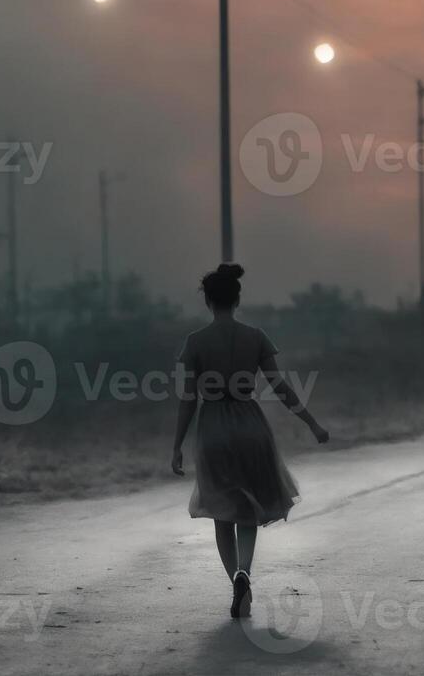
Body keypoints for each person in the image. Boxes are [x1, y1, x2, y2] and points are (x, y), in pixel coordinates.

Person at [171, 263, 330, 619]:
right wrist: (312, 423)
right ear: (237, 299)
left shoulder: (195, 342)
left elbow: (188, 400)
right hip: (250, 425)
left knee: (220, 513)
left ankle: (237, 581)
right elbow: (281, 388)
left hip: (213, 429)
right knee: (248, 510)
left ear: (209, 301)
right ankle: (245, 569)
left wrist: (177, 445)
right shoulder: (255, 337)